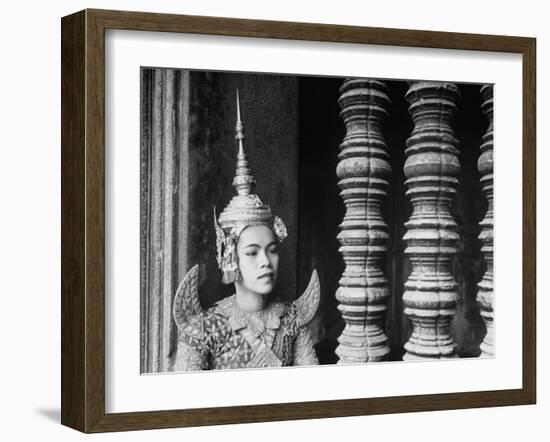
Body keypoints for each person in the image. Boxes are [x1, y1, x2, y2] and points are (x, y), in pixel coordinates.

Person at [172, 92, 320, 371]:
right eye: (252, 252)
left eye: (272, 250)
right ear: (230, 257)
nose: (265, 261)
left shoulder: (291, 321)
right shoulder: (205, 328)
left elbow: (313, 389)